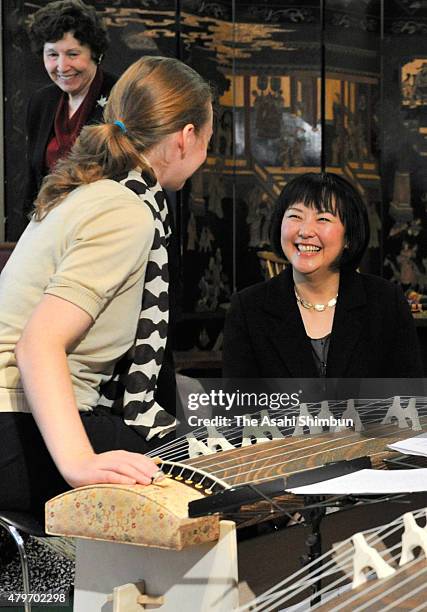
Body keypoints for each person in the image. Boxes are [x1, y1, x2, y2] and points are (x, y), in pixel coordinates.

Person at [0, 55, 213, 519]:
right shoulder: (125, 209)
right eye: (209, 139)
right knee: (213, 481)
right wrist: (80, 464)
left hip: (24, 418)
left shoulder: (96, 190)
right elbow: (38, 345)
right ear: (187, 137)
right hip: (16, 424)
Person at [223, 172, 423, 378]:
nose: (305, 231)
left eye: (323, 218)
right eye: (295, 216)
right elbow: (240, 404)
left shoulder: (386, 302)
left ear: (349, 237)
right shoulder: (248, 308)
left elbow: (407, 400)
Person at [21, 0, 116, 232]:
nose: (62, 66)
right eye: (52, 54)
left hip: (105, 229)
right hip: (50, 231)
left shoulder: (122, 97)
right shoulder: (41, 103)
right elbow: (33, 182)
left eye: (73, 54)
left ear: (96, 53)